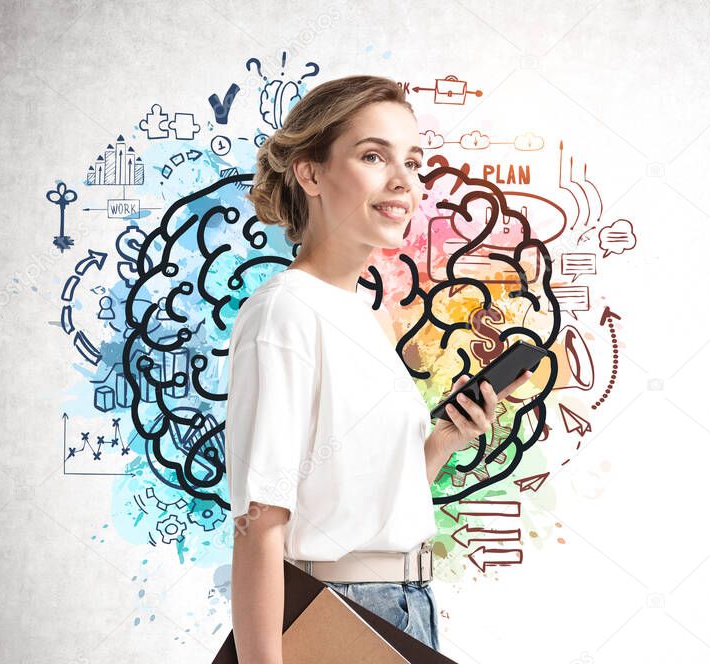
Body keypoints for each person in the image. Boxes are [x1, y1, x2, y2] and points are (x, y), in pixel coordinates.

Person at [225, 74, 532, 662]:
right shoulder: (286, 311)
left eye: (413, 162)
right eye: (373, 156)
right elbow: (259, 522)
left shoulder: (363, 313)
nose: (404, 183)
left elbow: (366, 502)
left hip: (404, 605)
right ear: (310, 173)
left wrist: (444, 438)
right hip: (337, 609)